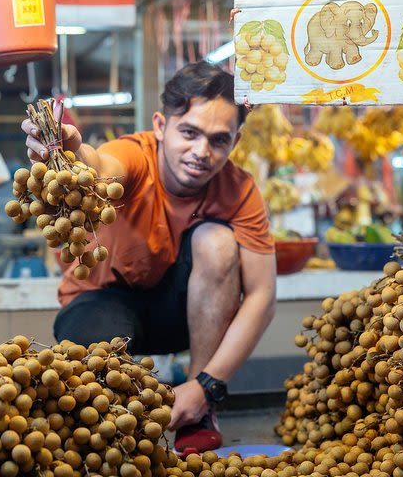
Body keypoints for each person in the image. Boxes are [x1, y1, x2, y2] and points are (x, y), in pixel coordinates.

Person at [22, 61, 276, 453]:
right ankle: (114, 418)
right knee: (96, 360)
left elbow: (261, 296)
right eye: (189, 133)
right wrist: (71, 151)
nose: (201, 152)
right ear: (161, 125)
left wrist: (208, 385)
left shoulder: (238, 189)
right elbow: (100, 166)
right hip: (102, 304)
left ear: (235, 142)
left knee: (217, 240)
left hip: (181, 313)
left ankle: (199, 410)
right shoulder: (135, 156)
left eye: (219, 140)